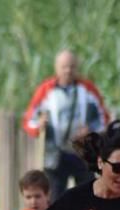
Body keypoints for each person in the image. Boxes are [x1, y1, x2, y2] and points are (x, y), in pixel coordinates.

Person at [22, 49, 109, 199]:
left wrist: (91, 131)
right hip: (55, 154)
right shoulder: (45, 90)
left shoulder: (88, 89)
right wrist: (39, 125)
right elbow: (29, 120)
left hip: (82, 152)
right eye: (64, 67)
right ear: (57, 68)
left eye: (72, 66)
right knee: (55, 198)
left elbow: (103, 118)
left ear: (77, 68)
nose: (68, 71)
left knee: (87, 196)